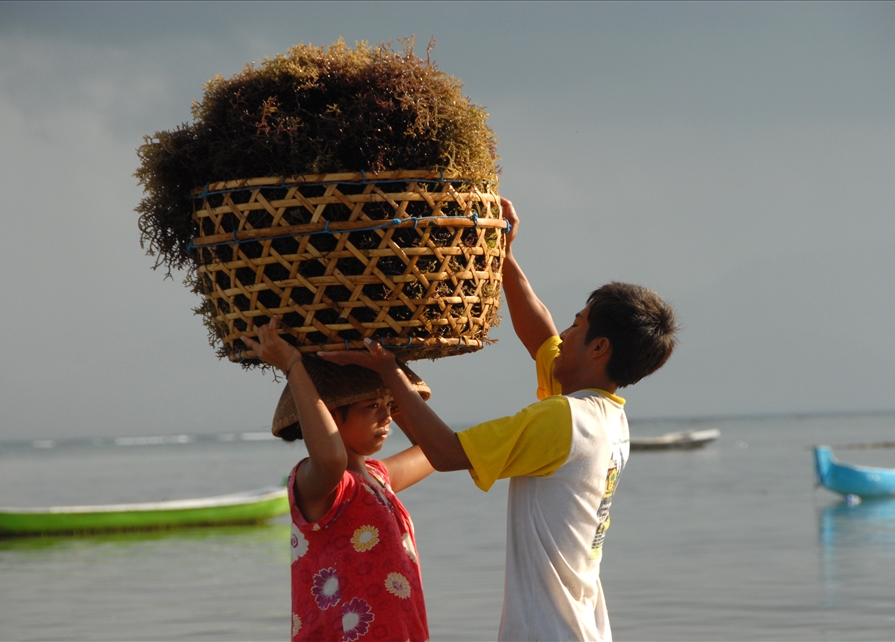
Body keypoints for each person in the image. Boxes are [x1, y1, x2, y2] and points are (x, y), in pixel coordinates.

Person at [321, 196, 678, 641]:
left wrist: (388, 372)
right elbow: (542, 337)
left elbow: (448, 453)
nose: (564, 334)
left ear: (600, 348)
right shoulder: (606, 419)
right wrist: (505, 257)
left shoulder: (562, 419)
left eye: (578, 324)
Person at [241, 317, 434, 642]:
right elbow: (331, 458)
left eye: (388, 406)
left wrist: (390, 377)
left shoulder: (377, 477)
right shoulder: (319, 484)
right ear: (331, 414)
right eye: (372, 406)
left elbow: (434, 450)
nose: (386, 416)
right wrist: (292, 365)